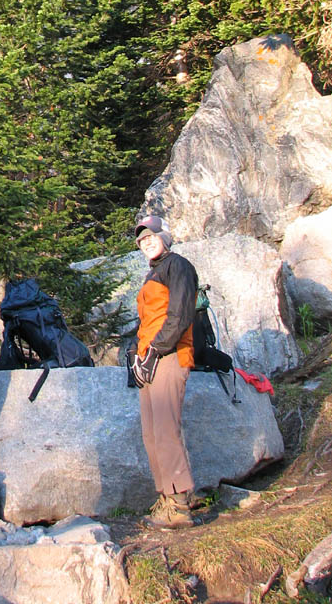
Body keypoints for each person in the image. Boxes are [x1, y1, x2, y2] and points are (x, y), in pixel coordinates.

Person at [132, 214, 198, 529]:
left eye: (151, 236)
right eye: (142, 240)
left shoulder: (179, 266)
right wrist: (137, 355)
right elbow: (147, 321)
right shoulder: (153, 275)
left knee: (166, 430)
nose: (147, 242)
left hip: (170, 356)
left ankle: (182, 504)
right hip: (150, 361)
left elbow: (180, 313)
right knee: (151, 433)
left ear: (164, 237)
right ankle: (166, 497)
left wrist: (156, 351)